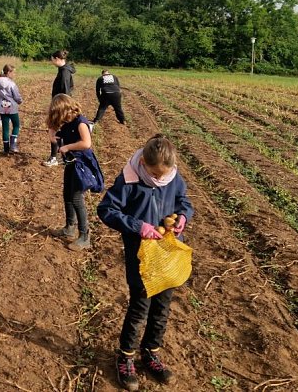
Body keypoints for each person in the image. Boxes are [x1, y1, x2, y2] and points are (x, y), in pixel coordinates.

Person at [97, 134, 194, 390]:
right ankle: (126, 356)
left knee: (162, 307)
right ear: (143, 164)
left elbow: (183, 200)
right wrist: (138, 226)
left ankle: (151, 352)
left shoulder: (174, 177)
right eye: (155, 174)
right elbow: (106, 210)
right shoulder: (129, 179)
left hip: (167, 255)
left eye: (165, 174)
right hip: (141, 257)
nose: (161, 179)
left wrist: (184, 215)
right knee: (140, 307)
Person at [46, 94, 96, 250]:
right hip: (71, 163)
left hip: (81, 165)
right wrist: (51, 127)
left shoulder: (81, 122)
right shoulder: (67, 123)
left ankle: (84, 236)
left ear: (65, 110)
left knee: (76, 199)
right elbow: (54, 139)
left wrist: (67, 147)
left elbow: (86, 143)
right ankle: (69, 228)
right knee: (67, 195)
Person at [43, 50, 76, 167]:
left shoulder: (64, 73)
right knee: (61, 132)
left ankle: (54, 158)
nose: (51, 61)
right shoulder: (64, 70)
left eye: (52, 59)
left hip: (61, 107)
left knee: (53, 131)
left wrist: (62, 108)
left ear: (57, 59)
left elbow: (66, 93)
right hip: (60, 105)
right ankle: (65, 156)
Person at [0, 64, 23, 154]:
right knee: (16, 125)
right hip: (12, 106)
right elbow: (16, 96)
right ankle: (13, 145)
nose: (14, 74)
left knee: (5, 128)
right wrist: (19, 101)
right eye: (13, 72)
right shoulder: (11, 83)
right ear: (8, 72)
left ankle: (6, 150)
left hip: (3, 106)